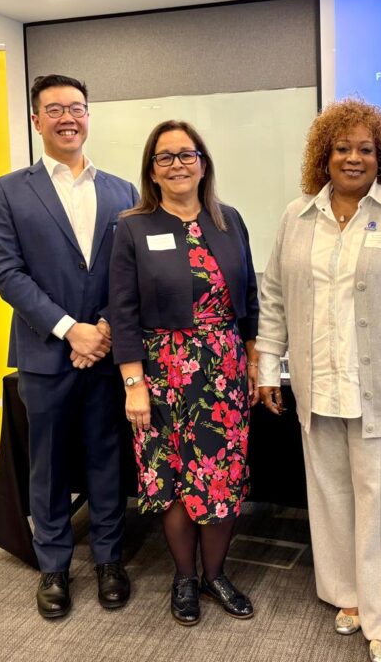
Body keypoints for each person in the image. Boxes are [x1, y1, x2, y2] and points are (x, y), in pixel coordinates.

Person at [257, 99, 381, 662]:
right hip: (319, 386)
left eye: (365, 149)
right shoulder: (297, 216)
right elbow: (274, 298)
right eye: (342, 148)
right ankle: (349, 596)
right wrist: (269, 366)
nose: (353, 158)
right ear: (324, 155)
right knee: (332, 499)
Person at [0, 74, 138, 619]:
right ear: (36, 120)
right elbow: (6, 271)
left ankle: (109, 560)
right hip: (46, 354)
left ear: (88, 115)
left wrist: (104, 328)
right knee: (47, 465)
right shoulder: (9, 189)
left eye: (76, 107)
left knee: (106, 457)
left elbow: (130, 272)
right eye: (54, 109)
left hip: (107, 353)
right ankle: (53, 566)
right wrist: (71, 329)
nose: (67, 117)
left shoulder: (123, 191)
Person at [109, 120, 260, 626]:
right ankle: (185, 578)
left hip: (222, 370)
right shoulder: (133, 227)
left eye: (186, 154)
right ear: (152, 170)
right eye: (165, 157)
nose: (177, 164)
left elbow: (250, 298)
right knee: (172, 477)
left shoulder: (229, 220)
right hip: (160, 373)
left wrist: (254, 361)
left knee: (220, 476)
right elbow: (123, 313)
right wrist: (134, 385)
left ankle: (215, 574)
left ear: (202, 163)